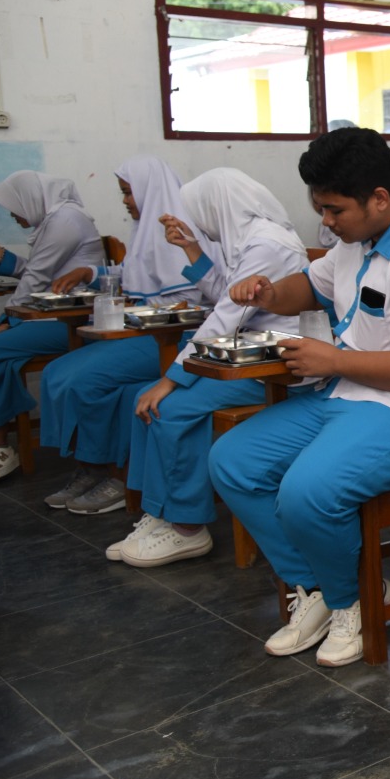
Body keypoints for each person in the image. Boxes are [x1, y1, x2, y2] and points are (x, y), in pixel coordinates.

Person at [208, 127, 390, 667]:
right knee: (233, 461)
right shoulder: (353, 242)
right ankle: (316, 586)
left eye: (334, 210)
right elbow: (310, 288)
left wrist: (334, 360)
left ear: (378, 198)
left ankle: (352, 601)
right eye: (322, 210)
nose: (326, 222)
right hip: (355, 393)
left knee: (307, 490)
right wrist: (268, 291)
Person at [108, 168, 308, 567]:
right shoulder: (252, 239)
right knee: (144, 400)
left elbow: (226, 318)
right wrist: (192, 249)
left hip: (273, 368)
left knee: (168, 407)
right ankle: (162, 509)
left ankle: (186, 528)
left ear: (218, 206)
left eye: (201, 213)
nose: (201, 222)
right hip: (247, 354)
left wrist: (171, 379)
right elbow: (227, 297)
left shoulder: (266, 244)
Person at [37, 158, 210, 514]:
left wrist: (135, 312)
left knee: (85, 381)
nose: (126, 201)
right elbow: (133, 275)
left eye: (128, 193)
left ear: (148, 190)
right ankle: (89, 466)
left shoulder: (177, 233)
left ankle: (110, 474)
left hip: (173, 338)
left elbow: (187, 300)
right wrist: (90, 271)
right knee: (58, 372)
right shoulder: (148, 228)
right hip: (142, 334)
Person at [0, 172, 105, 481]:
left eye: (14, 208)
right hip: (52, 314)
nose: (14, 215)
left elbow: (36, 279)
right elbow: (39, 273)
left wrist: (7, 322)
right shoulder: (55, 218)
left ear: (29, 199)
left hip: (73, 321)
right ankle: (0, 444)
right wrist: (2, 257)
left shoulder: (65, 221)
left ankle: (1, 444)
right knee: (6, 356)